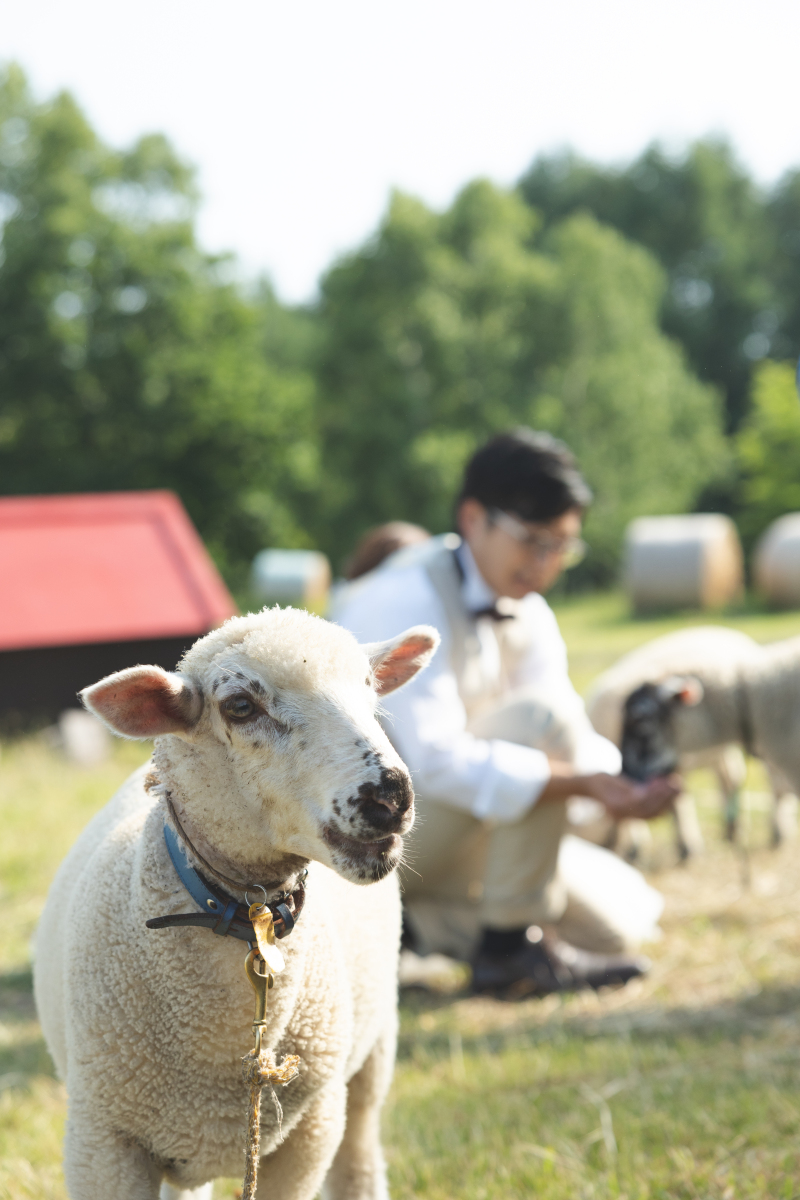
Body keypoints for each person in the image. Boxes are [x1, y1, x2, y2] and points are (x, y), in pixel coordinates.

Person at [333, 429, 680, 997]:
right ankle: (504, 952)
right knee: (536, 723)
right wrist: (580, 782)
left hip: (474, 827)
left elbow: (574, 731)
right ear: (474, 519)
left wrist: (620, 785)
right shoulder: (401, 596)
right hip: (375, 830)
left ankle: (409, 933)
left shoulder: (528, 609)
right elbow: (433, 765)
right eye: (534, 541)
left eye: (562, 546)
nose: (546, 563)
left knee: (614, 929)